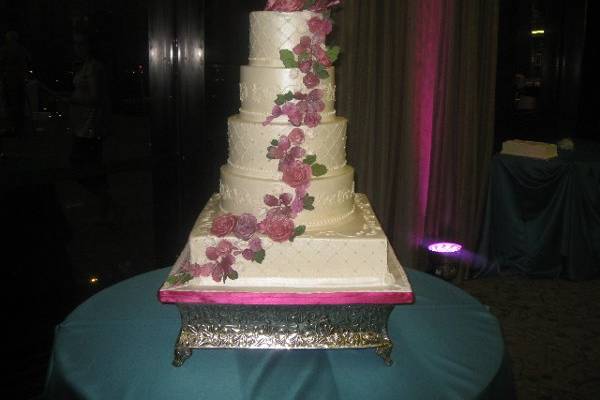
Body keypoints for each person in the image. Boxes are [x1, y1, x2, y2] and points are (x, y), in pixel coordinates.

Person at [62, 26, 116, 223]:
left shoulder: (93, 67)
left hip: (91, 127)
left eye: (81, 43)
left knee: (83, 165)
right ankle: (105, 203)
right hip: (83, 126)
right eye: (75, 43)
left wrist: (72, 100)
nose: (77, 47)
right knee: (89, 165)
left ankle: (106, 201)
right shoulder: (84, 66)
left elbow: (94, 97)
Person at [0, 31, 31, 138]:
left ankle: (13, 128)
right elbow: (27, 62)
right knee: (19, 104)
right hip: (19, 80)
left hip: (10, 80)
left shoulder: (6, 50)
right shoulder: (21, 49)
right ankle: (19, 128)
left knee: (11, 104)